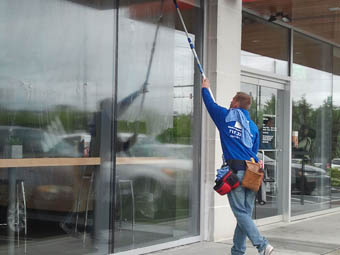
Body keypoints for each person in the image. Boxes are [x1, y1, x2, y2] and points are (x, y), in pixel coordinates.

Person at [202, 78, 274, 255]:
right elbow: (254, 151)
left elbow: (210, 105)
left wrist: (205, 88)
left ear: (236, 103)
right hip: (252, 173)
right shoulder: (253, 127)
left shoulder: (226, 116)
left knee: (240, 214)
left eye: (232, 99)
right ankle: (237, 251)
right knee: (245, 215)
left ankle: (262, 245)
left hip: (236, 173)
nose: (230, 101)